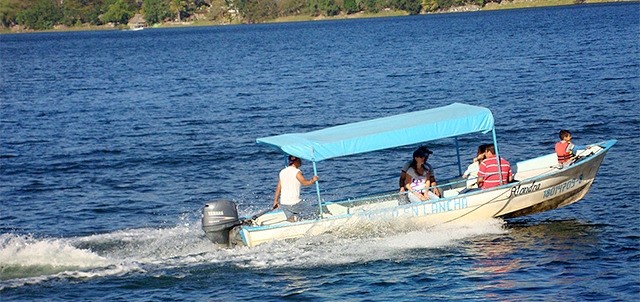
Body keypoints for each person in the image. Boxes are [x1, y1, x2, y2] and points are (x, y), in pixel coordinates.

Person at [273, 155, 319, 222]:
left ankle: (295, 221)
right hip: (294, 203)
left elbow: (278, 187)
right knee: (314, 212)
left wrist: (275, 201)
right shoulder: (297, 172)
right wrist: (313, 180)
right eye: (300, 160)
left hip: (284, 203)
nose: (301, 162)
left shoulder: (282, 172)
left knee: (292, 220)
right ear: (296, 161)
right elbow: (305, 183)